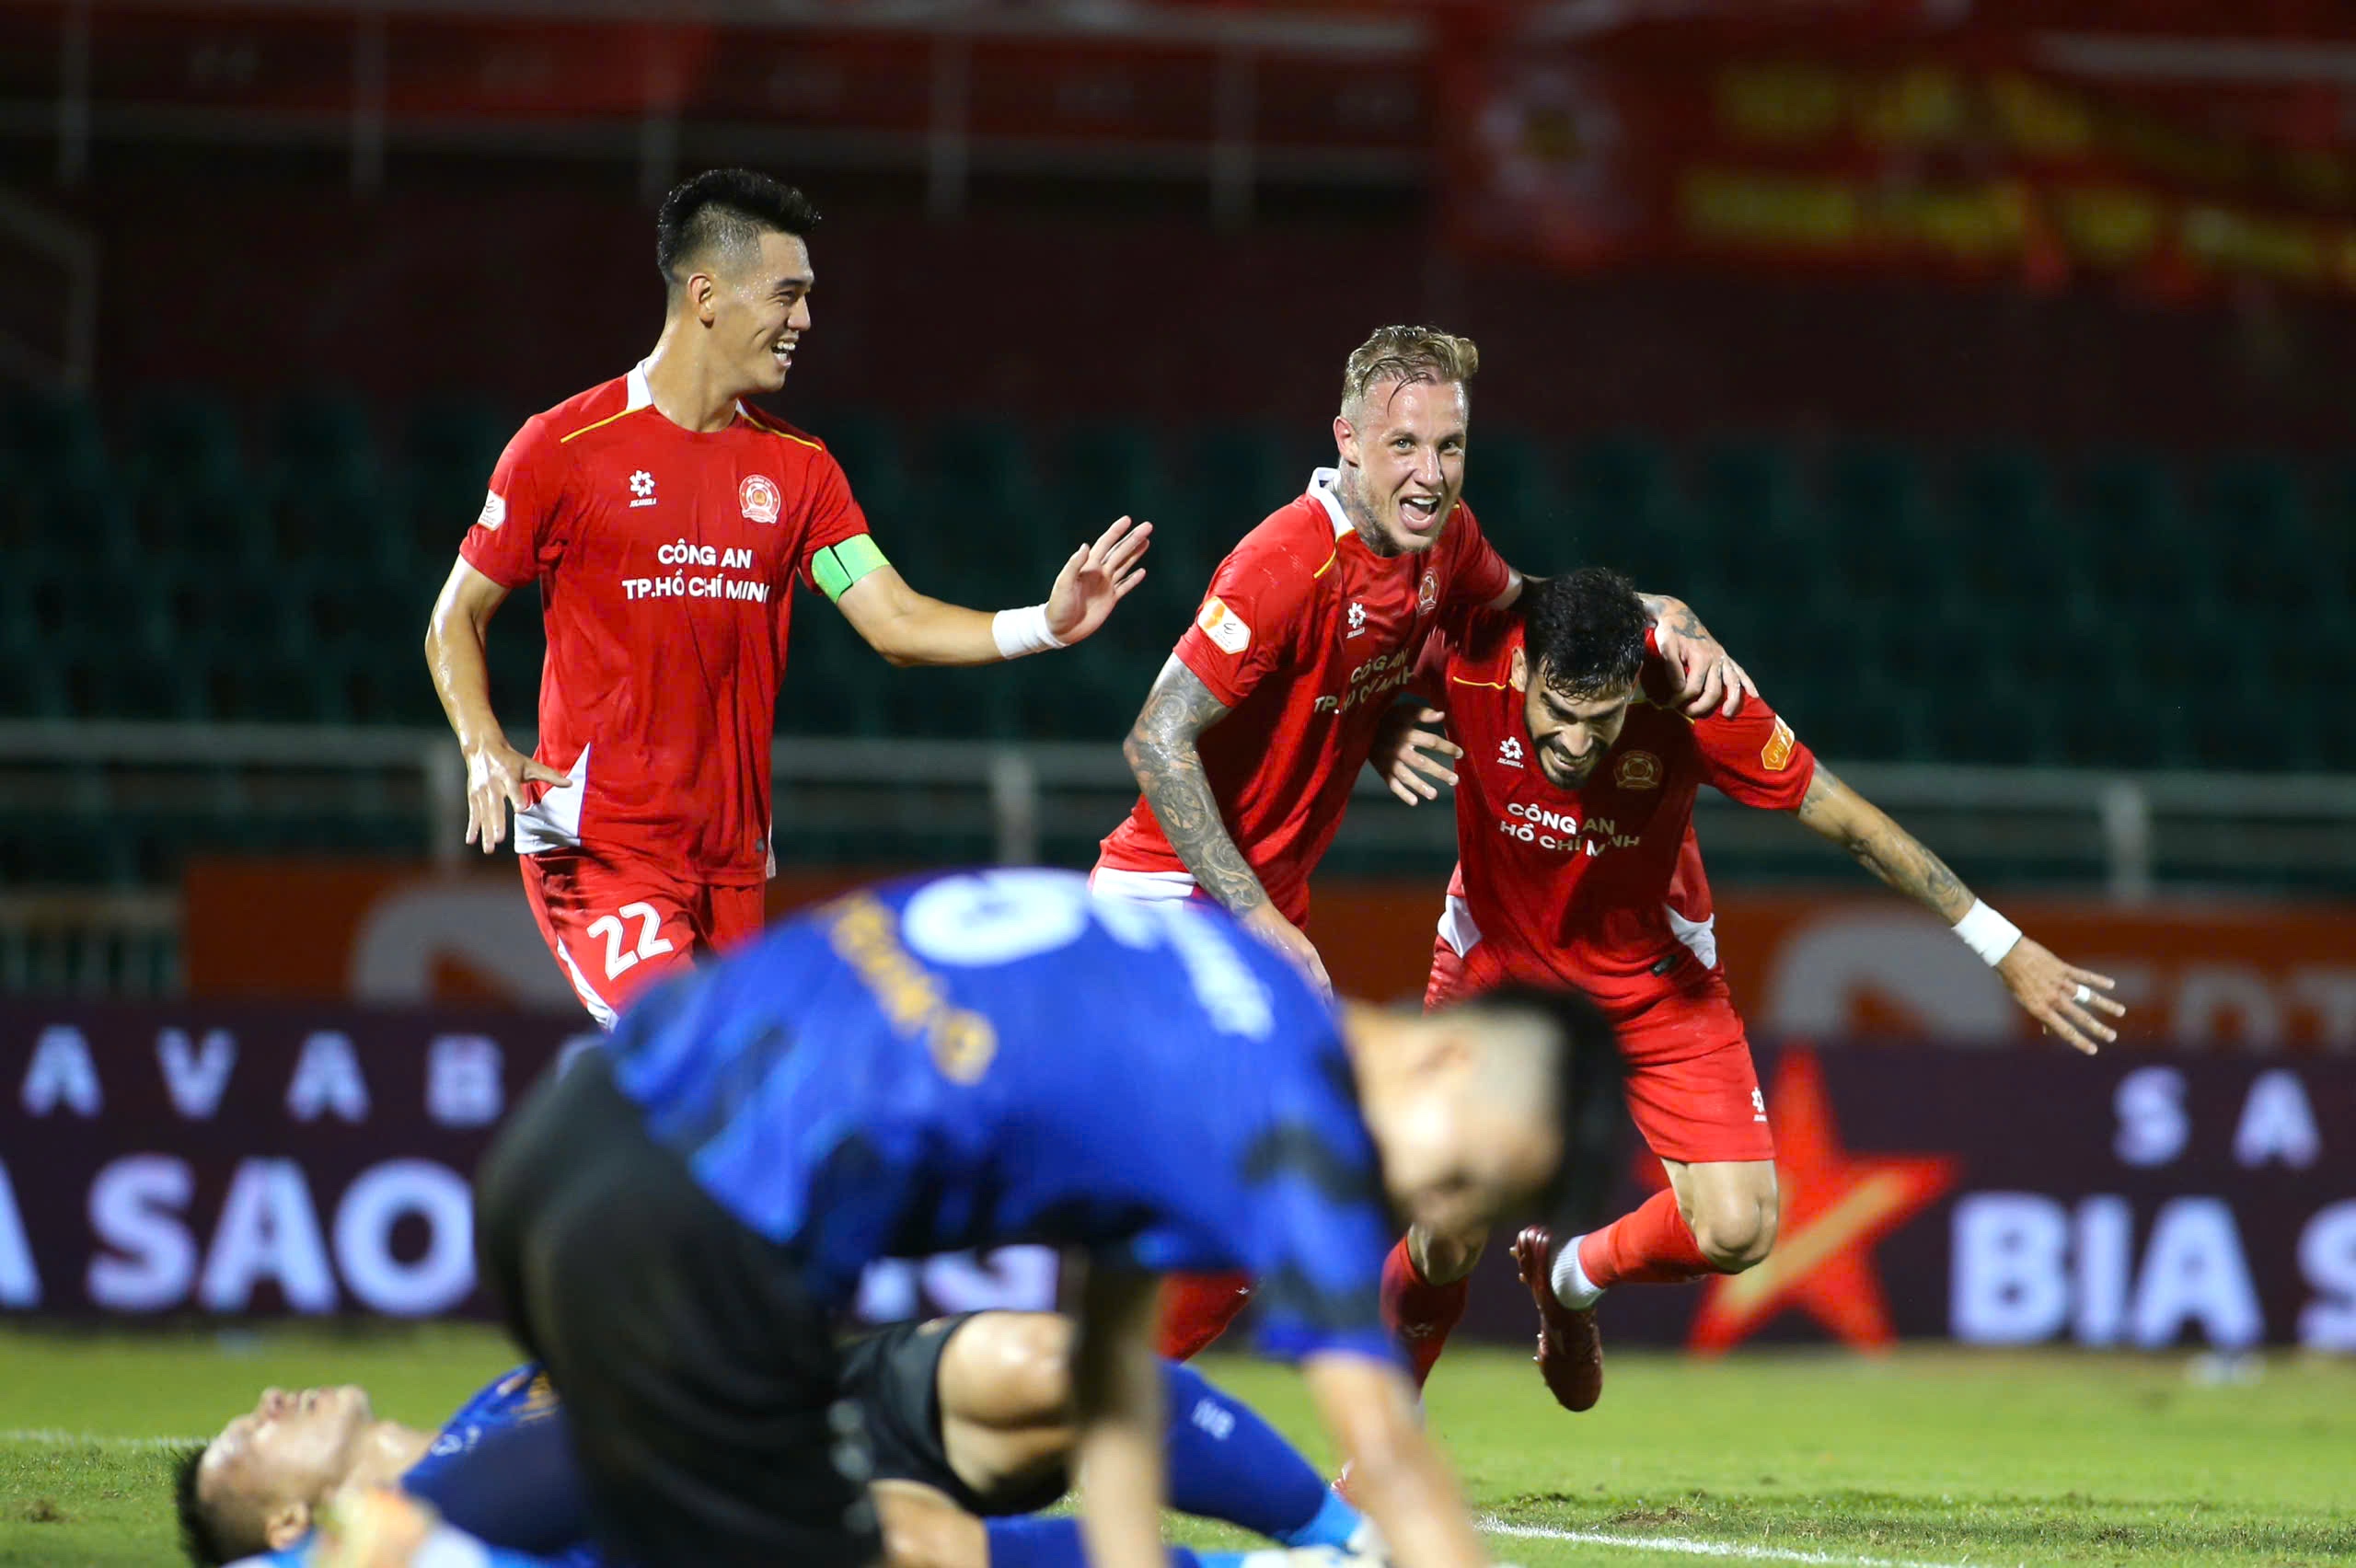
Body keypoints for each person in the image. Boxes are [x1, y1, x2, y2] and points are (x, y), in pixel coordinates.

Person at [469, 867, 1623, 1568]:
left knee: (671, 1483)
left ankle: (380, 1532)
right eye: (1463, 1177)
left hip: (572, 1145)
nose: (1435, 1213)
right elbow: (1391, 1452)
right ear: (1449, 1063)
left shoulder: (1232, 981)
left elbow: (1111, 1379)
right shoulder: (1300, 1116)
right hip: (695, 1236)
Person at [1090, 322, 1750, 1357]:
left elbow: (1551, 613)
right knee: (1245, 1193)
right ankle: (1029, 1401)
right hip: (1173, 899)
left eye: (1449, 447)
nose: (1429, 473)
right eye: (1403, 446)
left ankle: (1049, 1403)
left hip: (1256, 907)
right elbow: (1156, 737)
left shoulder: (1442, 546)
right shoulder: (1283, 561)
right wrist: (1255, 914)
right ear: (1346, 439)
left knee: (1245, 1223)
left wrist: (1672, 620)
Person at [1373, 566, 2126, 1410]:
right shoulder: (1475, 650)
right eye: (1560, 715)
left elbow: (1851, 822)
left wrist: (2004, 946)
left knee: (1738, 1230)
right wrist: (1377, 731)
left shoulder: (1694, 697)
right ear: (1522, 672)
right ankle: (1380, 1446)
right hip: (1497, 969)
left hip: (1653, 980)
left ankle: (1572, 1277)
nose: (1578, 745)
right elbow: (1342, 667)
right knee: (1446, 1237)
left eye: (1602, 718)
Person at [423, 169, 1149, 1026]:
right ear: (705, 296)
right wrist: (481, 745)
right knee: (696, 1052)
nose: (803, 321)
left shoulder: (801, 473)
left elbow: (894, 620)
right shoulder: (561, 449)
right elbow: (455, 617)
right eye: (787, 295)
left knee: (733, 1116)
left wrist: (1045, 625)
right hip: (599, 848)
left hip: (731, 866)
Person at [175, 1312, 1371, 1568]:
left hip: (820, 1403)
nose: (265, 1402)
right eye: (244, 1441)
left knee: (1053, 1363)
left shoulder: (507, 1398)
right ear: (282, 1526)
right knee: (910, 1545)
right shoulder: (388, 1550)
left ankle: (1347, 1538)